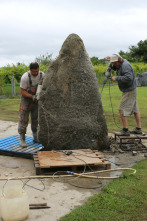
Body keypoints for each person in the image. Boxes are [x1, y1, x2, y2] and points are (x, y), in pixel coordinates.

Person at [110, 54, 142, 136]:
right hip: (131, 89)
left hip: (129, 91)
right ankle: (138, 129)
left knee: (122, 109)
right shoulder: (120, 63)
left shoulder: (125, 66)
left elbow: (129, 78)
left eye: (115, 63)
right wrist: (109, 62)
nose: (114, 65)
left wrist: (116, 78)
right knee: (135, 110)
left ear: (119, 60)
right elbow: (115, 67)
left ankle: (125, 130)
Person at [18, 62, 44, 147]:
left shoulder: (42, 75)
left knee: (35, 119)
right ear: (30, 70)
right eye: (33, 72)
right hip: (26, 101)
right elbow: (22, 91)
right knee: (23, 120)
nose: (35, 73)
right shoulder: (25, 77)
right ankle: (22, 139)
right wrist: (32, 96)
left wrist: (38, 97)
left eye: (37, 71)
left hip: (36, 101)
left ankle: (35, 137)